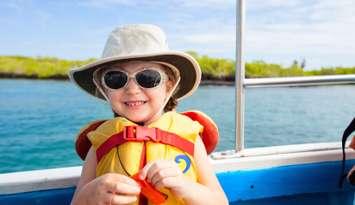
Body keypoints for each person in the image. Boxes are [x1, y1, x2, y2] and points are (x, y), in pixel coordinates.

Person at [69, 24, 228, 205]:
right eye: (115, 79)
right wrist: (89, 194)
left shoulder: (189, 136)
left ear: (169, 84)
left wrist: (184, 186)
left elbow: (220, 201)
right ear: (104, 88)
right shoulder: (100, 141)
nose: (132, 89)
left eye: (148, 77)